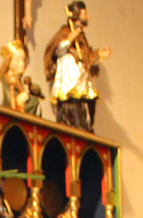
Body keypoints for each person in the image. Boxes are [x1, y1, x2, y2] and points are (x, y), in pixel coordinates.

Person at [43, 1, 109, 131]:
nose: (87, 17)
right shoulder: (65, 32)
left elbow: (86, 56)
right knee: (73, 113)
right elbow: (56, 52)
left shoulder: (82, 37)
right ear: (76, 15)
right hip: (70, 80)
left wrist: (99, 54)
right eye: (84, 14)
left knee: (86, 114)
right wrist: (69, 39)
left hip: (82, 81)